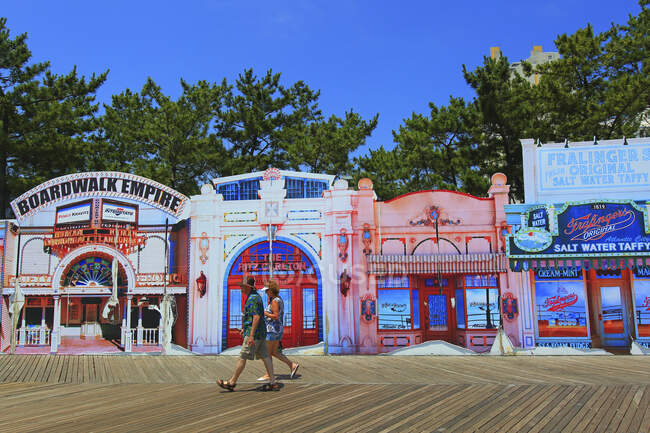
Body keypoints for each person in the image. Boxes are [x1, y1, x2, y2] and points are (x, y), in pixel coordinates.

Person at [217, 276, 279, 391]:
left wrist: (250, 335)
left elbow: (256, 317)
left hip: (254, 335)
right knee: (265, 356)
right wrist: (244, 328)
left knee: (242, 356)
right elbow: (253, 317)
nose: (240, 288)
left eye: (242, 286)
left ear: (248, 287)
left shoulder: (252, 299)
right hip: (260, 333)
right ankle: (273, 382)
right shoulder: (255, 297)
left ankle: (231, 382)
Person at [257, 280, 299, 382]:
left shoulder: (275, 301)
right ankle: (292, 365)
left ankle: (268, 374)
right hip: (277, 330)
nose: (266, 293)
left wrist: (264, 313)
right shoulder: (278, 299)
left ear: (271, 290)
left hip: (271, 330)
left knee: (266, 353)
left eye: (267, 291)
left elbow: (275, 316)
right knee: (274, 352)